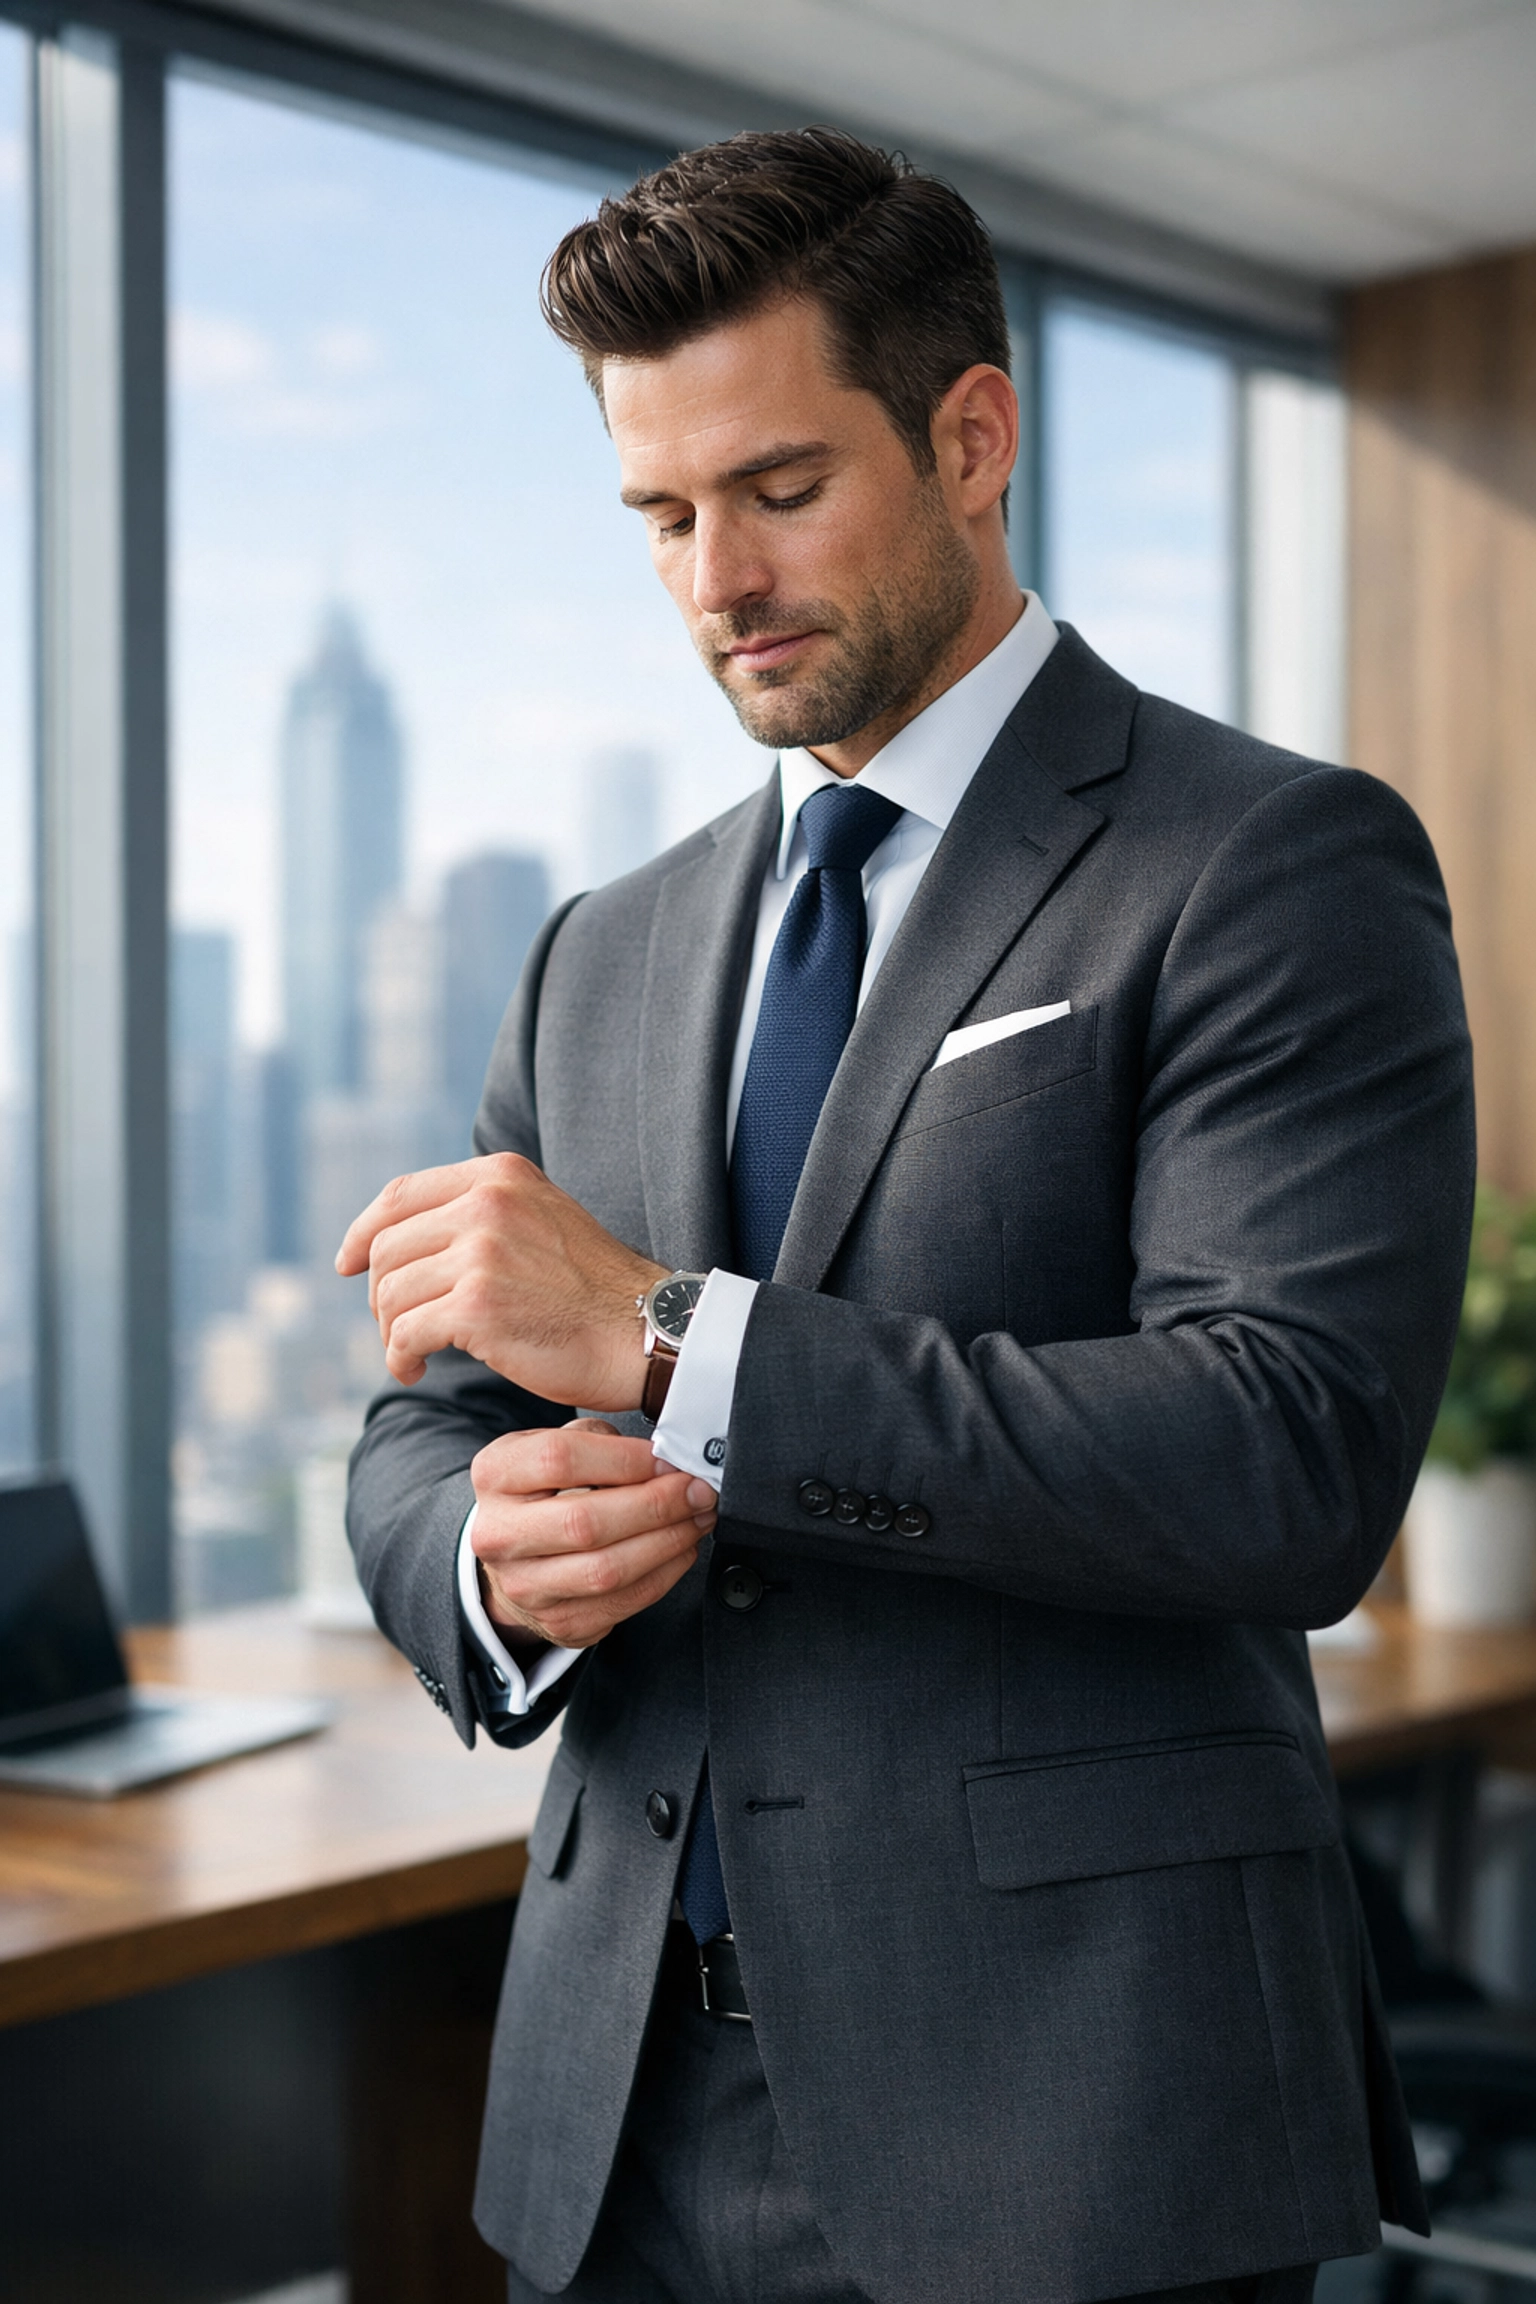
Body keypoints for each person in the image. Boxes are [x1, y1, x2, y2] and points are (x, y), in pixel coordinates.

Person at [341, 126, 1472, 2304]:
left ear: (975, 439)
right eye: (661, 516)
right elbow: (428, 1420)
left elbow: (1288, 1457)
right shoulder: (606, 945)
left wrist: (678, 1350)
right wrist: (482, 1557)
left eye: (777, 491)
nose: (714, 581)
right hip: (615, 2126)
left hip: (1075, 2125)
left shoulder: (1269, 865)